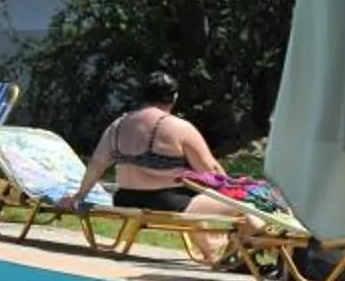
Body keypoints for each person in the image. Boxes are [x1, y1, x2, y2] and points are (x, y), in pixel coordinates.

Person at [77, 73, 261, 228]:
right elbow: (209, 170)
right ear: (174, 97)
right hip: (167, 203)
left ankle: (212, 251)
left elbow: (97, 164)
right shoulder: (179, 127)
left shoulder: (117, 125)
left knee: (199, 200)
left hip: (125, 199)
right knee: (250, 209)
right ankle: (245, 254)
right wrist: (235, 192)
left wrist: (79, 196)